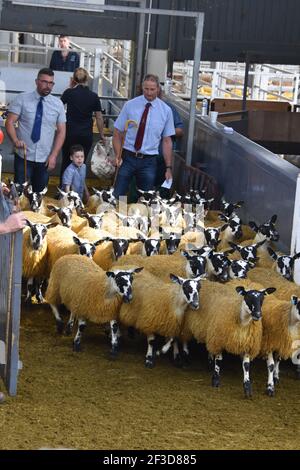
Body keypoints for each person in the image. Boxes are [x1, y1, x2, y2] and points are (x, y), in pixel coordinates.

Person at [112, 73, 175, 199]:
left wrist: (168, 167)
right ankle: (120, 215)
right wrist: (118, 155)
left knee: (145, 197)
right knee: (120, 194)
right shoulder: (130, 105)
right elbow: (117, 133)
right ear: (142, 88)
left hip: (149, 160)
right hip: (128, 156)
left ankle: (139, 217)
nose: (149, 93)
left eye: (152, 89)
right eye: (146, 89)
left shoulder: (166, 111)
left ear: (158, 89)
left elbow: (167, 141)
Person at [5, 68, 66, 192]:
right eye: (44, 82)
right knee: (19, 194)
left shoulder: (58, 104)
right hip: (23, 156)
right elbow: (10, 122)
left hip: (45, 160)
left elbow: (61, 131)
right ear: (36, 81)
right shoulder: (22, 99)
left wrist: (54, 156)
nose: (47, 86)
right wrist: (15, 140)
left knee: (39, 195)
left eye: (51, 83)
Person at [60, 67, 105, 184]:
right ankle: (78, 192)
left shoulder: (68, 93)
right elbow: (99, 117)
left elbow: (58, 108)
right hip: (86, 135)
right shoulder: (93, 96)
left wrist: (70, 88)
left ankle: (63, 191)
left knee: (66, 161)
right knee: (81, 163)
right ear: (87, 80)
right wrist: (102, 135)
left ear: (73, 79)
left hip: (69, 133)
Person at [155, 88, 184, 196]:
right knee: (143, 189)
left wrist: (165, 130)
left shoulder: (169, 109)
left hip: (163, 158)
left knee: (162, 191)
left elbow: (180, 131)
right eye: (147, 90)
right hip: (143, 158)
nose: (150, 94)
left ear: (160, 94)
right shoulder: (138, 107)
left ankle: (159, 208)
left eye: (154, 91)